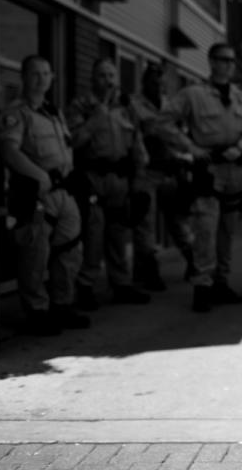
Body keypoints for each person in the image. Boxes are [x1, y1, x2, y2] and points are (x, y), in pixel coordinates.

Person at [159, 43, 242, 312]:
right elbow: (163, 122)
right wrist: (191, 148)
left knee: (227, 231)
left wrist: (241, 148)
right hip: (209, 169)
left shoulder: (241, 97)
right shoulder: (193, 94)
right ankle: (202, 285)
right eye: (222, 60)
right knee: (206, 229)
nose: (228, 65)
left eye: (231, 61)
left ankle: (221, 282)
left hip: (235, 170)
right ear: (211, 62)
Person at [0, 55, 90, 335]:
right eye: (35, 74)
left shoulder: (54, 113)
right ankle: (37, 311)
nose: (41, 79)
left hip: (63, 191)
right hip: (38, 193)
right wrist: (40, 177)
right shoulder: (17, 112)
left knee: (70, 250)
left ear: (52, 78)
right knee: (35, 254)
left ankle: (62, 304)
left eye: (46, 74)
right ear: (24, 77)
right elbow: (10, 151)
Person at [66, 58, 151, 309]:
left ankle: (121, 285)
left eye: (112, 75)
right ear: (93, 78)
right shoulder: (81, 105)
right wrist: (94, 121)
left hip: (121, 178)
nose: (108, 80)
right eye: (102, 75)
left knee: (118, 234)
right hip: (93, 178)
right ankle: (86, 286)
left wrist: (139, 179)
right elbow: (72, 142)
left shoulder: (126, 106)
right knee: (93, 234)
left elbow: (137, 143)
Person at [130, 63, 197, 291]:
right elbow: (134, 137)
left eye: (161, 81)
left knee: (178, 221)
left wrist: (184, 160)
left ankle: (193, 261)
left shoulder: (172, 106)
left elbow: (183, 136)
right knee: (144, 224)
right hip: (146, 172)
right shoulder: (134, 105)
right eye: (153, 80)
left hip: (171, 171)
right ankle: (149, 271)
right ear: (144, 82)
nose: (157, 84)